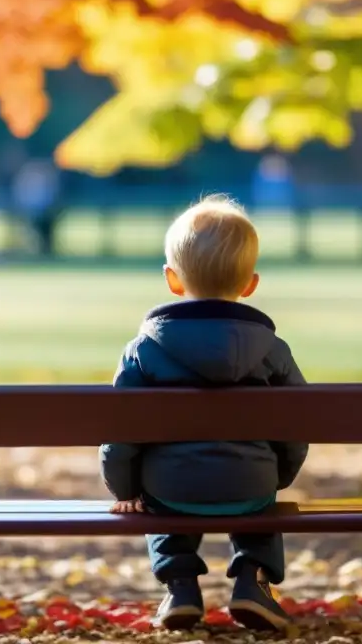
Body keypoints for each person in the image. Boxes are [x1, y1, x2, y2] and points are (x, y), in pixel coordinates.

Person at [99, 194, 308, 633]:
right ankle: (253, 579)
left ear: (173, 280)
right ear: (249, 284)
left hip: (170, 488)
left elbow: (120, 431)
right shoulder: (273, 351)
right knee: (258, 497)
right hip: (252, 486)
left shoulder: (143, 351)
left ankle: (179, 585)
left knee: (160, 494)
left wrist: (126, 488)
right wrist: (279, 475)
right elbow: (297, 425)